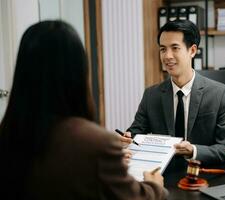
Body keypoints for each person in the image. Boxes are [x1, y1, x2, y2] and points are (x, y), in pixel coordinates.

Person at [0, 20, 166, 200]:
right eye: (163, 49)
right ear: (78, 71)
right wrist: (154, 185)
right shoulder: (98, 144)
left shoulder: (7, 134)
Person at [125, 20, 225, 165]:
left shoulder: (220, 94)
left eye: (175, 48)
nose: (167, 56)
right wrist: (127, 139)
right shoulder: (151, 95)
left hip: (203, 173)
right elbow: (135, 134)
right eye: (163, 49)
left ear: (192, 50)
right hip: (162, 174)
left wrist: (194, 151)